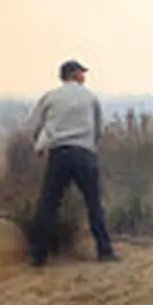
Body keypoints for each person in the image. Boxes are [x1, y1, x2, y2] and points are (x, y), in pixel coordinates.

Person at [26, 59, 119, 267]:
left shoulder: (50, 97)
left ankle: (39, 254)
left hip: (59, 154)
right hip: (84, 153)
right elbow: (98, 129)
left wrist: (40, 145)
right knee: (94, 203)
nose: (84, 76)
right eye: (81, 73)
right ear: (74, 74)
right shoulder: (90, 97)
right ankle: (105, 250)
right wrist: (90, 147)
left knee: (49, 204)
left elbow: (33, 125)